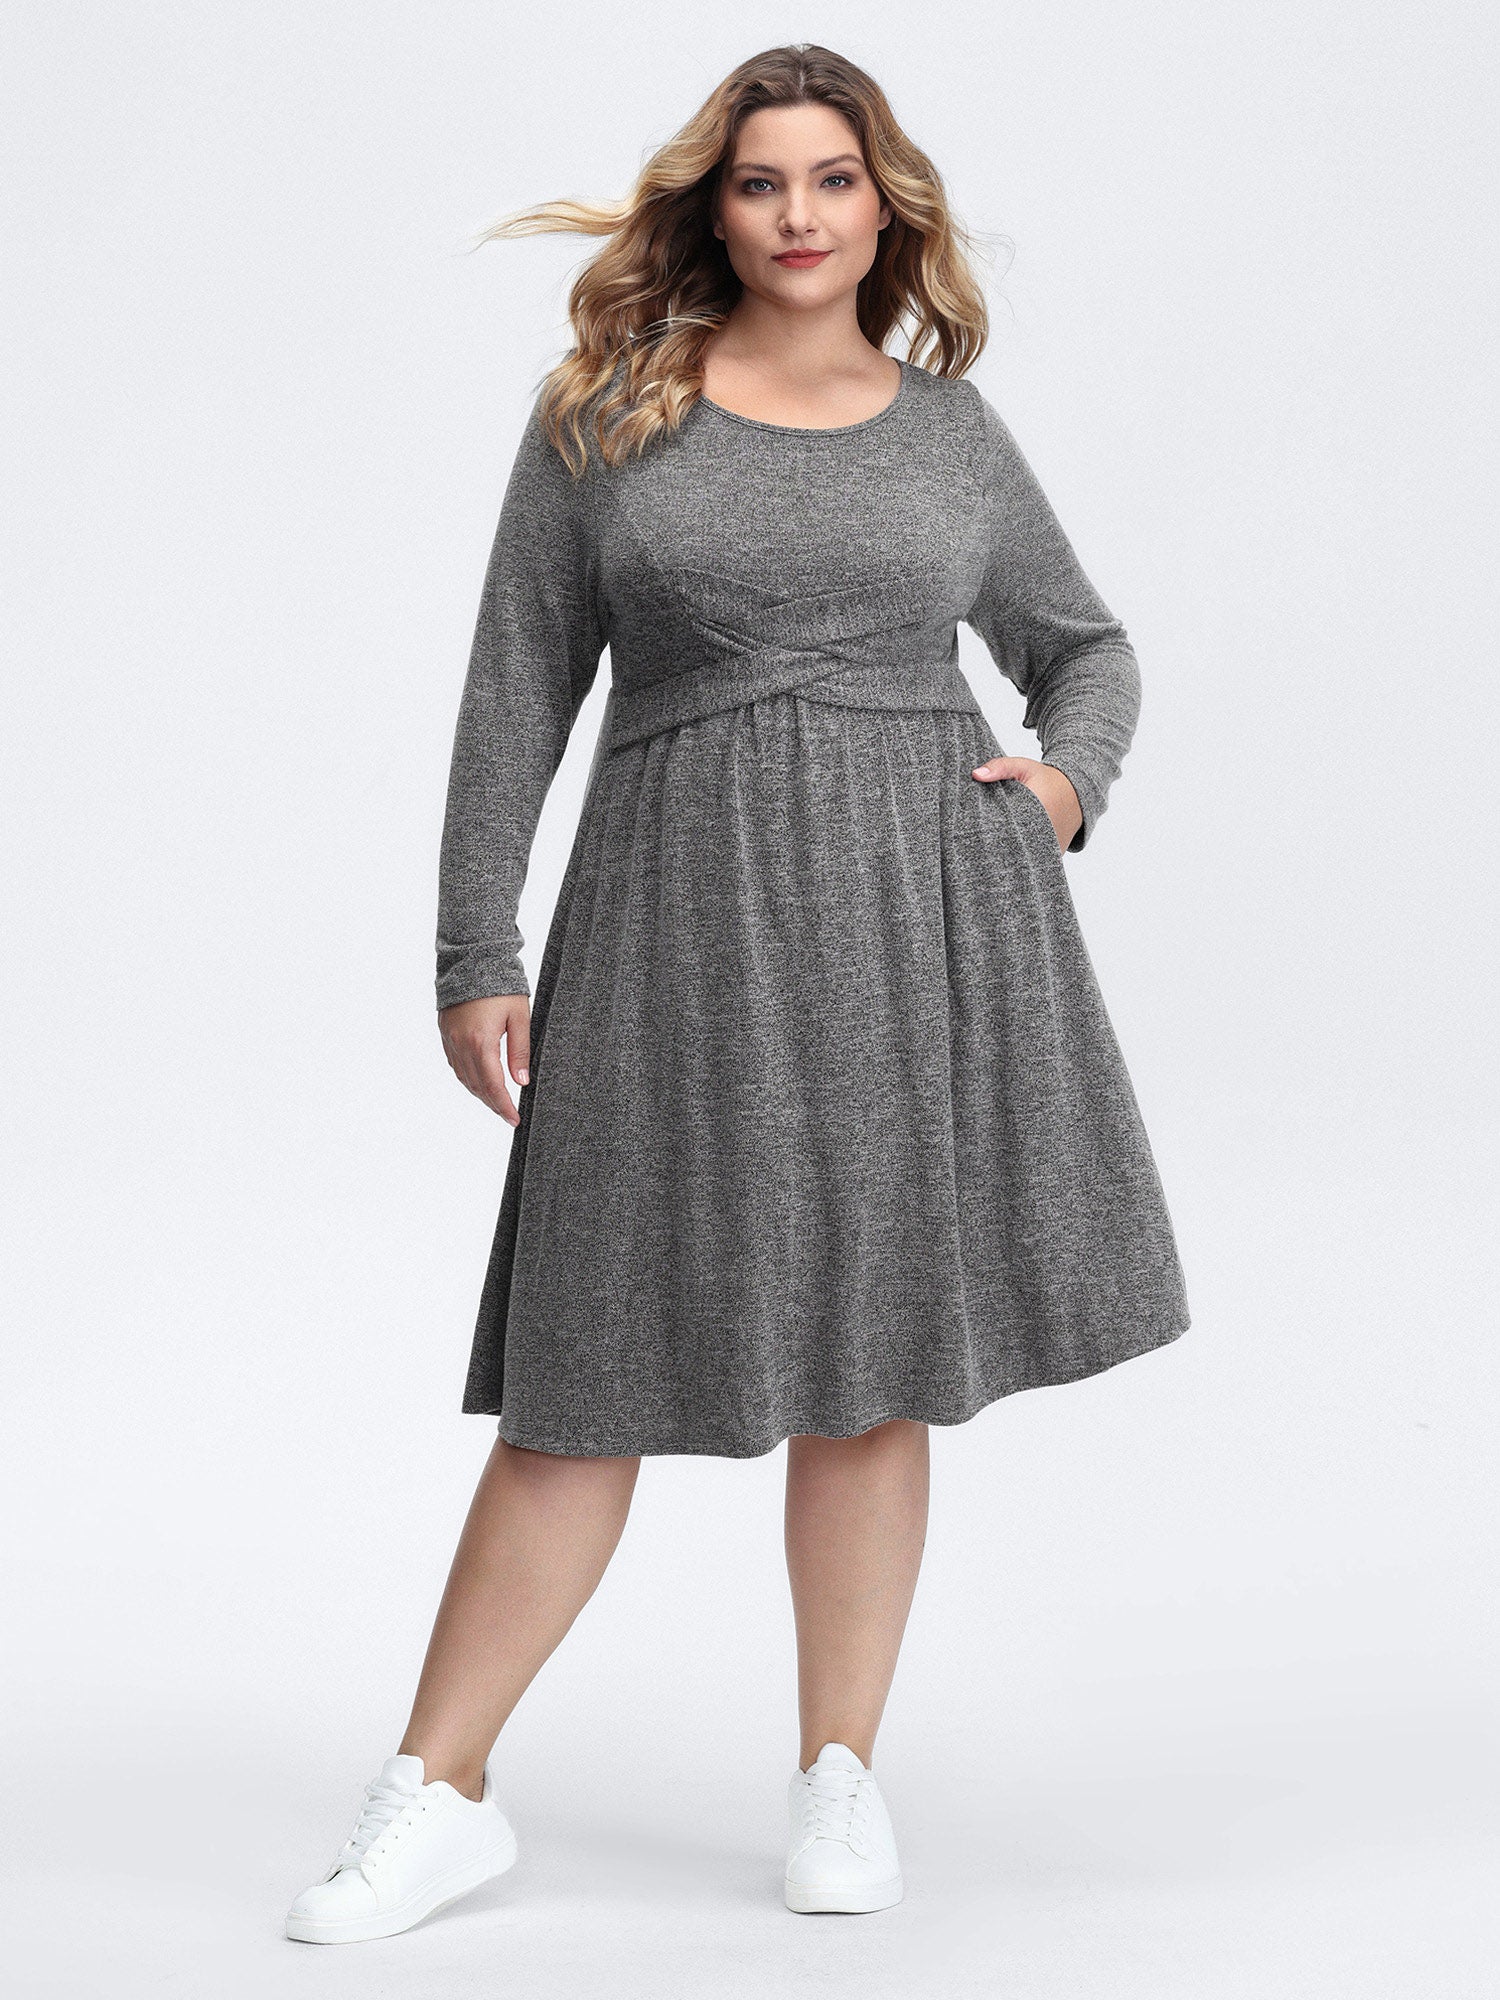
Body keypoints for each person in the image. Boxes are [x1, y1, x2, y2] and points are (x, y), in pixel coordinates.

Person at [284, 42, 1191, 1944]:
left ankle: (838, 1772)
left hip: (910, 921)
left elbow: (1085, 646)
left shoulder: (951, 431)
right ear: (717, 205)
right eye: (763, 181)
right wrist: (474, 947)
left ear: (885, 203)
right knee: (587, 1365)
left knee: (873, 1363)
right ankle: (440, 1790)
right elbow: (514, 689)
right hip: (671, 921)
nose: (798, 214)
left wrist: (1063, 787)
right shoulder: (608, 411)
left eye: (832, 179)